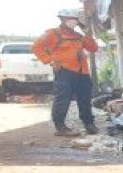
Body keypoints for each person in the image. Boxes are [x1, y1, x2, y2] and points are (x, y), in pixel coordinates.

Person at [32, 8, 98, 136]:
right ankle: (60, 126)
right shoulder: (52, 33)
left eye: (76, 19)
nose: (75, 22)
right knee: (63, 99)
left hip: (82, 71)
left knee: (85, 99)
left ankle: (89, 124)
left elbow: (93, 48)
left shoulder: (79, 36)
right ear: (63, 19)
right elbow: (36, 47)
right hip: (64, 71)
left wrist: (87, 33)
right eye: (72, 19)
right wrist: (49, 60)